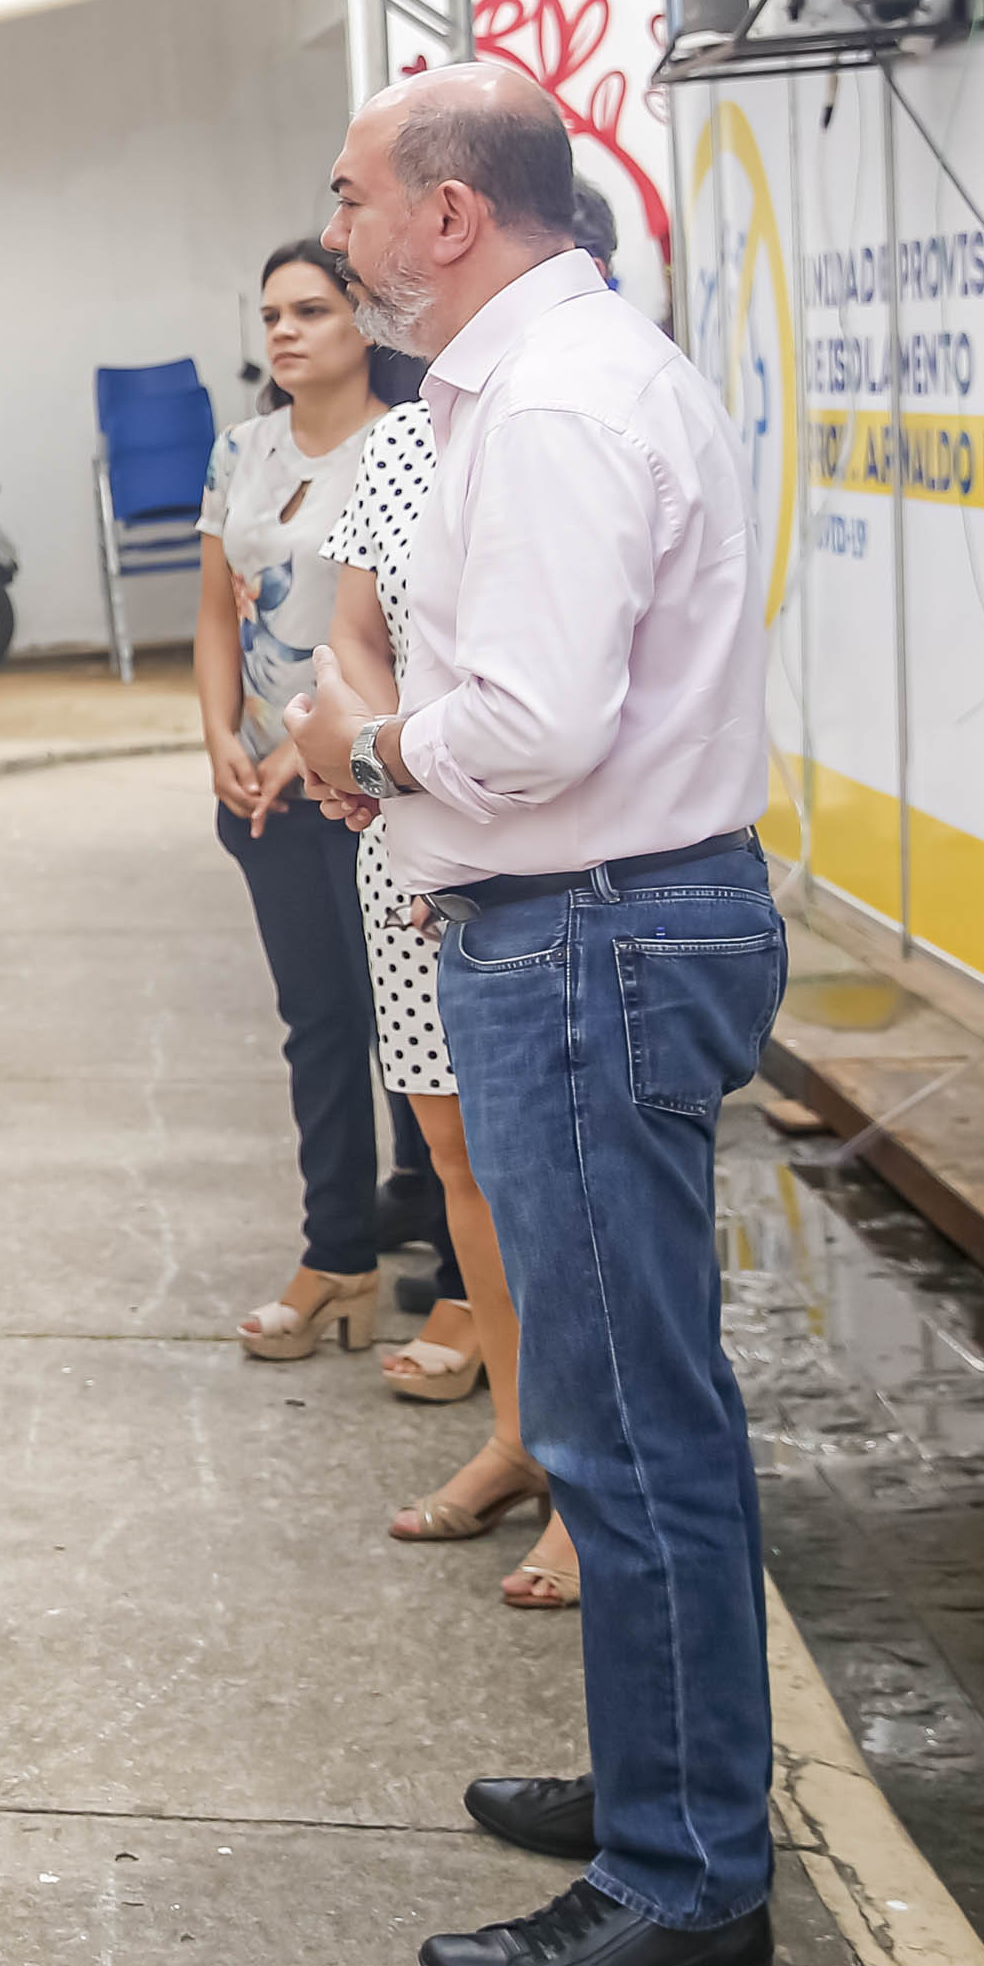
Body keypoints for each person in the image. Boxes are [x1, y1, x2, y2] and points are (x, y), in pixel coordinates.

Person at [299, 63, 782, 1966]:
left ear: (443, 214)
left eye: (349, 201)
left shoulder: (564, 404)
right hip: (576, 932)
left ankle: (684, 1877)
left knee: (621, 1419)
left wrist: (373, 746)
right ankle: (663, 1787)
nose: (332, 236)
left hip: (588, 941)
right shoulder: (541, 385)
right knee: (615, 1404)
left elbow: (533, 722)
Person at [324, 389, 580, 1613]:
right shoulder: (400, 438)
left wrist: (432, 784)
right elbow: (355, 630)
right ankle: (521, 1437)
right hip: (410, 830)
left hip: (540, 846)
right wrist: (381, 758)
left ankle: (589, 1490)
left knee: (556, 1174)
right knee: (455, 1152)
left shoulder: (573, 412)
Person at [195, 241, 402, 1360]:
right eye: (270, 312)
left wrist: (307, 747)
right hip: (263, 788)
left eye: (311, 310)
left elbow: (394, 632)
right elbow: (216, 611)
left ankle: (463, 1284)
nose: (283, 331)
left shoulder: (405, 446)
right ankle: (337, 1255)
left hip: (366, 785)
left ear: (364, 322)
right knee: (314, 1024)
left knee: (409, 1038)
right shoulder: (243, 448)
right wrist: (221, 733)